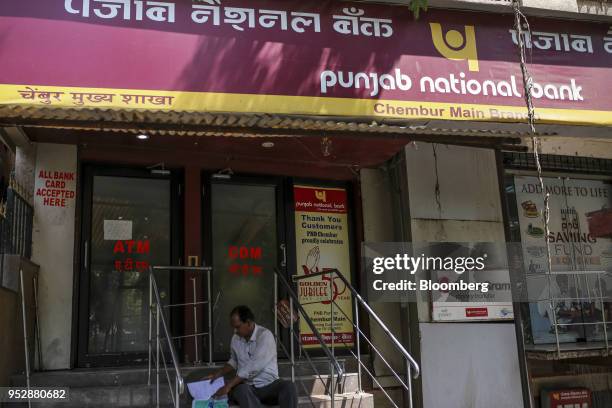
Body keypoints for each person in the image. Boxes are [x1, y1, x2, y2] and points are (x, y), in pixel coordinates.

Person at [206, 305, 298, 408]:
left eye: (237, 327)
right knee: (241, 390)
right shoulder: (235, 339)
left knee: (289, 387)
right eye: (233, 327)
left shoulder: (265, 336)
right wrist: (217, 374)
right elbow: (234, 361)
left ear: (249, 323)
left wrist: (229, 385)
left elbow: (254, 366)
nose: (235, 331)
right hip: (248, 387)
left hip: (269, 385)